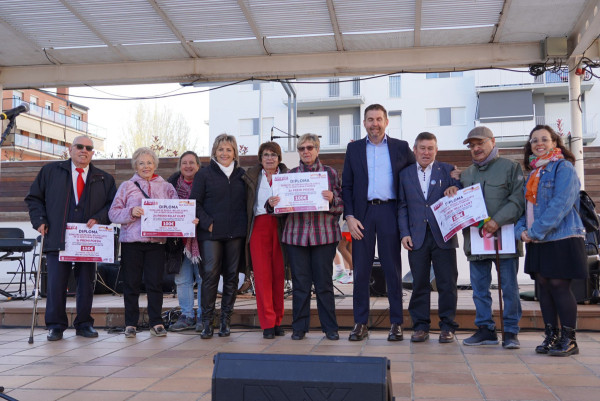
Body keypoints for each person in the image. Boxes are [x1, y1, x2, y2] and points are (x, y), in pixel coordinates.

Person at [25, 135, 116, 341]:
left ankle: (84, 324)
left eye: (89, 148)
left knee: (86, 283)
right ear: (70, 149)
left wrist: (99, 217)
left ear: (93, 153)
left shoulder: (104, 178)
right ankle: (55, 326)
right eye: (80, 146)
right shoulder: (50, 171)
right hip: (58, 236)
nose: (84, 150)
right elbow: (34, 198)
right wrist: (39, 220)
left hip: (89, 240)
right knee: (56, 283)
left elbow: (113, 205)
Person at [342, 104, 415, 342]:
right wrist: (349, 217)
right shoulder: (353, 149)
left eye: (379, 119)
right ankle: (360, 323)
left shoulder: (401, 148)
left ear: (386, 122)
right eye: (370, 119)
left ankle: (396, 323)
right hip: (361, 215)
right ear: (364, 123)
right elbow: (347, 186)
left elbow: (416, 175)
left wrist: (449, 175)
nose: (375, 123)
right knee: (361, 270)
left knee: (392, 270)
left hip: (390, 213)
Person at [515, 125, 586, 356]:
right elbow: (526, 209)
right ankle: (552, 336)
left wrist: (534, 231)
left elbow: (561, 205)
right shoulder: (534, 172)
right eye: (534, 140)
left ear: (555, 143)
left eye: (544, 139)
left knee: (558, 286)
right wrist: (522, 231)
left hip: (560, 237)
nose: (539, 143)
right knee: (543, 288)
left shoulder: (563, 167)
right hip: (537, 239)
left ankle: (569, 339)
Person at [269, 133, 342, 341]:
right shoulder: (289, 176)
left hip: (324, 236)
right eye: (302, 148)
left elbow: (341, 206)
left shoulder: (330, 174)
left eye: (310, 147)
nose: (306, 152)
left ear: (318, 150)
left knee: (324, 284)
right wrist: (274, 204)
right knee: (300, 285)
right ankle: (299, 328)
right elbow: (280, 212)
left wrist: (332, 199)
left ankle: (330, 328)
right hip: (296, 237)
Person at [459, 126, 525, 349]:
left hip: (504, 240)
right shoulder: (466, 174)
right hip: (476, 241)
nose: (476, 148)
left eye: (480, 143)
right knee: (479, 289)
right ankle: (485, 330)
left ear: (492, 142)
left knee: (509, 287)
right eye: (472, 145)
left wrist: (497, 221)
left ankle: (510, 332)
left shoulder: (510, 167)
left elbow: (518, 200)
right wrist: (451, 187)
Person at [109, 147, 181, 338]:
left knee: (155, 284)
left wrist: (188, 221)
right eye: (141, 163)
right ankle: (130, 323)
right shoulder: (126, 186)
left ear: (155, 164)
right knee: (131, 284)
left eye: (149, 162)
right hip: (131, 242)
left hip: (156, 243)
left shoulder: (166, 187)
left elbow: (177, 212)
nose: (146, 166)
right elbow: (113, 213)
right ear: (135, 166)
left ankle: (156, 322)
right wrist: (130, 212)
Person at [398, 132, 461, 343]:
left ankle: (447, 326)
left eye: (430, 148)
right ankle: (421, 326)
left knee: (447, 283)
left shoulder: (448, 170)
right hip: (416, 237)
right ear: (414, 150)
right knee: (419, 284)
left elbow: (461, 193)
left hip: (444, 235)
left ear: (436, 150)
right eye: (422, 148)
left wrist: (456, 188)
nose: (426, 152)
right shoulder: (405, 174)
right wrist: (405, 233)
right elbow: (402, 206)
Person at [191, 134, 247, 339]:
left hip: (236, 233)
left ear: (234, 153)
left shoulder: (242, 174)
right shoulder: (204, 174)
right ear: (214, 151)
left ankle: (225, 321)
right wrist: (208, 223)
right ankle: (207, 322)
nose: (224, 153)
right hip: (211, 234)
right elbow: (194, 203)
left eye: (229, 149)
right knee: (210, 277)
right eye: (221, 149)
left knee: (232, 278)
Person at [243, 141, 289, 339]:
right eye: (266, 154)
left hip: (280, 228)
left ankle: (278, 319)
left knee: (279, 276)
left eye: (274, 155)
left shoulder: (288, 177)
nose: (270, 158)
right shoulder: (252, 177)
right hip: (259, 227)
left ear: (279, 158)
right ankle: (267, 323)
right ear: (260, 158)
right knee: (262, 277)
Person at [167, 151, 203, 332]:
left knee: (203, 278)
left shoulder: (206, 182)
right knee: (182, 280)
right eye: (184, 163)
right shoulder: (170, 186)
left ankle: (204, 315)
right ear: (180, 166)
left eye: (192, 163)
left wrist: (200, 220)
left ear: (198, 165)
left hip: (202, 238)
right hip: (178, 241)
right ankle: (187, 315)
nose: (188, 166)